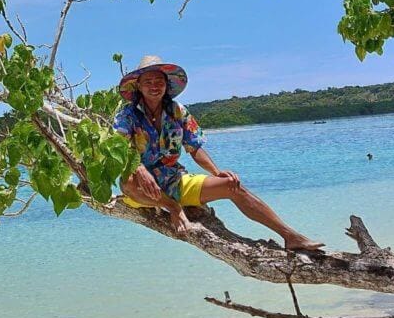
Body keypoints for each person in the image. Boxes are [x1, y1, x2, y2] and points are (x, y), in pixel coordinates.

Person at [112, 55, 324, 252]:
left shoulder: (178, 111)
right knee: (129, 182)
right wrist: (139, 169)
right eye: (148, 81)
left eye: (159, 81)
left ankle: (290, 236)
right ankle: (173, 207)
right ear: (138, 86)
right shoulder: (127, 114)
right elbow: (120, 149)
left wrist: (217, 171)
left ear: (167, 85)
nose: (154, 86)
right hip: (142, 190)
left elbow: (194, 148)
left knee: (233, 185)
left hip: (175, 181)